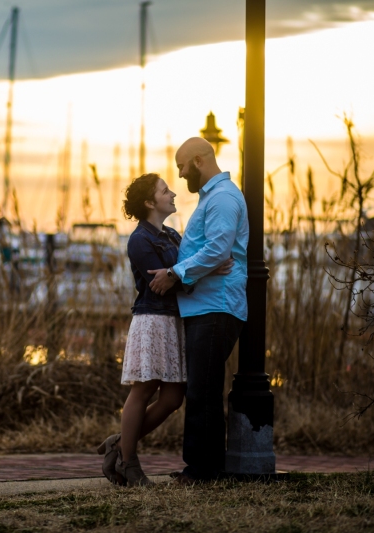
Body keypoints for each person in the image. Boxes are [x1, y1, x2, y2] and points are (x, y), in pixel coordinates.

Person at [97, 173, 232, 487]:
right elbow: (163, 286)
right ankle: (129, 463)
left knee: (173, 397)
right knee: (143, 389)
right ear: (149, 202)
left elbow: (183, 273)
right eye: (164, 190)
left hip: (176, 321)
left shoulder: (171, 235)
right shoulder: (139, 240)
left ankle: (118, 445)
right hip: (153, 321)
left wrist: (199, 269)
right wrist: (202, 270)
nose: (172, 193)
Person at [147, 137, 249, 484]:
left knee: (203, 390)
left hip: (216, 306)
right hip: (207, 305)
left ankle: (203, 471)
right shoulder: (215, 198)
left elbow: (219, 248)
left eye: (181, 166)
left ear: (199, 161)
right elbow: (213, 251)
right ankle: (205, 467)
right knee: (202, 387)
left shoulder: (222, 198)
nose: (180, 174)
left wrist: (176, 274)